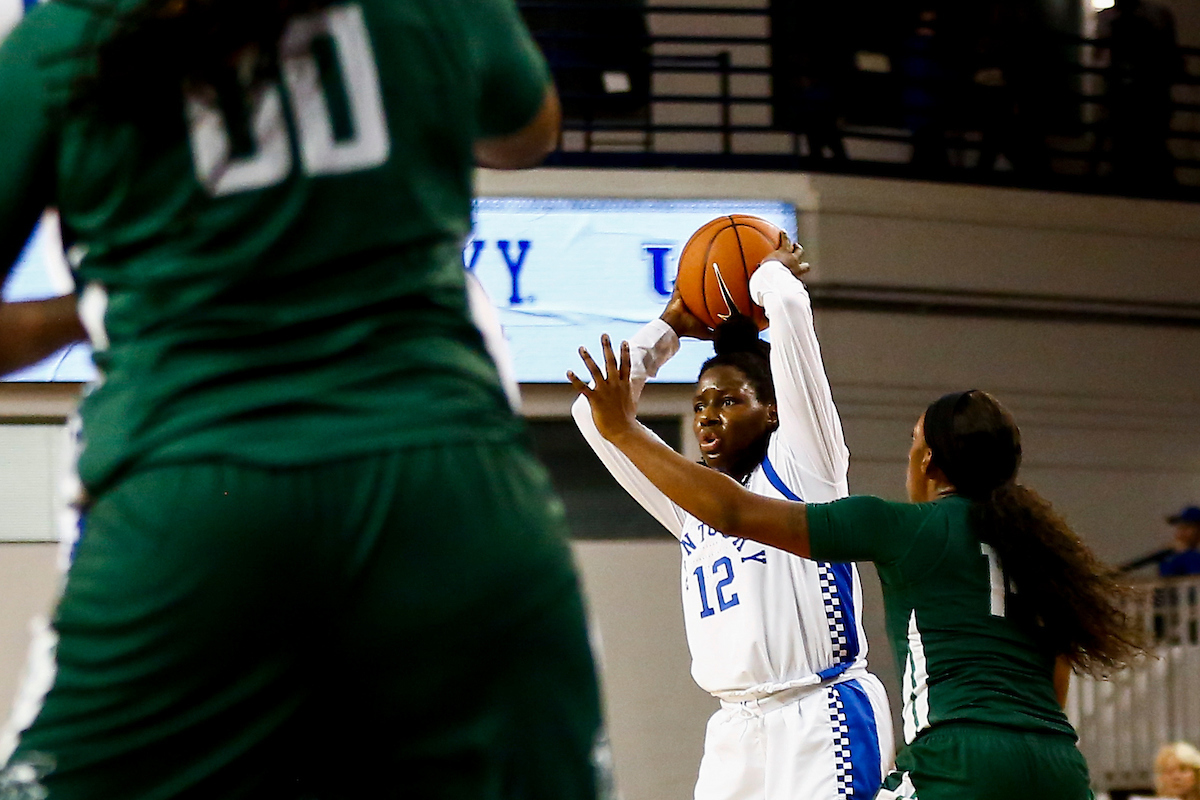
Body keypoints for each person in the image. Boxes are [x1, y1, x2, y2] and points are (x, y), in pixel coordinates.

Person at [0, 0, 605, 798]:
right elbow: (527, 127)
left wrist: (104, 302)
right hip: (448, 491)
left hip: (198, 505)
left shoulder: (72, 35)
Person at [570, 352, 1146, 800]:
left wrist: (622, 431)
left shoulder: (904, 526)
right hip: (1057, 763)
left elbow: (736, 512)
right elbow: (1056, 676)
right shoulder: (1045, 553)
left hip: (959, 757)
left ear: (929, 462)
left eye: (912, 444)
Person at [572, 236, 894, 800]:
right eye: (699, 405)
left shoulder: (806, 468)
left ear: (771, 409)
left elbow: (791, 314)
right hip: (733, 728)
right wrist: (669, 325)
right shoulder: (691, 501)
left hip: (820, 715)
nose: (707, 418)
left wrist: (770, 274)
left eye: (727, 401)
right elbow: (593, 414)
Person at [1095, 0, 1183, 192]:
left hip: (1148, 93)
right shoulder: (1108, 18)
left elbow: (1170, 52)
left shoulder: (1155, 15)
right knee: (1127, 144)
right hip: (1130, 94)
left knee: (1147, 143)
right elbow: (1100, 55)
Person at [1160, 506, 1200, 577]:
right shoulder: (1174, 556)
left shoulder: (1191, 556)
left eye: (1186, 528)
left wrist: (1187, 553)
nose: (1180, 533)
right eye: (1179, 528)